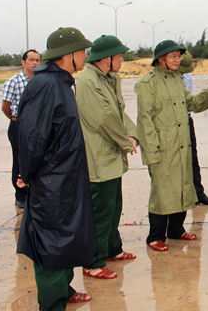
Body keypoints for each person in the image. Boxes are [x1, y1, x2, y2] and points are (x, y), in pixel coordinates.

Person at [16, 27, 97, 309]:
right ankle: (52, 304)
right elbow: (31, 138)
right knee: (51, 245)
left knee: (66, 240)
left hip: (66, 179)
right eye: (83, 51)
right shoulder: (47, 86)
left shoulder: (61, 83)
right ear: (68, 55)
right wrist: (25, 175)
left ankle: (65, 289)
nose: (86, 55)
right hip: (52, 183)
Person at [135, 40, 208, 252]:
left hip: (181, 145)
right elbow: (145, 121)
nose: (178, 60)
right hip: (162, 148)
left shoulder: (178, 80)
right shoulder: (147, 84)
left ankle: (176, 230)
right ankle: (155, 236)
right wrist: (151, 152)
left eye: (179, 56)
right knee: (162, 191)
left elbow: (192, 104)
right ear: (161, 59)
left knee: (183, 188)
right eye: (173, 56)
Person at [75, 35, 139, 280]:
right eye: (119, 56)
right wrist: (125, 142)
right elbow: (103, 119)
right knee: (100, 213)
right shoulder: (88, 82)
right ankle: (93, 262)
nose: (122, 60)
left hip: (111, 156)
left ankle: (113, 250)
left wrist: (133, 136)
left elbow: (119, 113)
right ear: (106, 59)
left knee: (113, 209)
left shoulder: (109, 79)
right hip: (99, 158)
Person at [179, 52, 208, 206]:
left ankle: (198, 193)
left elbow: (191, 101)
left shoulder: (187, 76)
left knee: (192, 159)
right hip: (170, 124)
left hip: (186, 120)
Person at [1, 49, 41, 208]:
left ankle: (35, 193)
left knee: (36, 158)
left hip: (37, 126)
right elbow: (6, 107)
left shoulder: (40, 81)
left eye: (37, 60)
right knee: (19, 159)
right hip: (19, 125)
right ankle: (21, 195)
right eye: (31, 60)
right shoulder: (14, 82)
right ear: (23, 62)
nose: (35, 63)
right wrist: (16, 119)